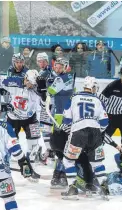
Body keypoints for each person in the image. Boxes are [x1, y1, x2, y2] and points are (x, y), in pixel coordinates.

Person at [59, 76, 109, 198]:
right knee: (97, 163)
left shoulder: (73, 98)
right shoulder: (98, 100)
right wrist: (96, 131)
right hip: (95, 132)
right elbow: (104, 122)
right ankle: (104, 187)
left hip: (79, 132)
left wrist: (67, 128)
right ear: (92, 87)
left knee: (68, 160)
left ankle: (72, 189)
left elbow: (66, 120)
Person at [0, 70, 42, 180]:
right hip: (13, 118)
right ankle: (5, 167)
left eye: (34, 84)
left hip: (31, 118)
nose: (32, 86)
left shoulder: (37, 87)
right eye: (30, 83)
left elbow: (44, 102)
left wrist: (43, 91)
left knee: (34, 146)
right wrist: (2, 104)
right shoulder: (13, 81)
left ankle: (29, 169)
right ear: (25, 78)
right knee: (9, 144)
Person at [46, 57, 75, 188]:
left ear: (65, 67)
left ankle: (60, 173)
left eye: (60, 66)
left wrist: (46, 83)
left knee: (60, 146)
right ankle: (59, 173)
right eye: (56, 65)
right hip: (67, 115)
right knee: (62, 146)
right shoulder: (69, 77)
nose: (57, 68)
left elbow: (50, 91)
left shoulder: (60, 78)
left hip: (60, 116)